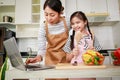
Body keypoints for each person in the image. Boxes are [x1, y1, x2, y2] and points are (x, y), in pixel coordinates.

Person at [26, 0, 69, 80]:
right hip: (50, 61)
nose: (49, 18)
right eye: (46, 14)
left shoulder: (67, 22)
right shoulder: (43, 26)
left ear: (59, 13)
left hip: (64, 61)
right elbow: (41, 46)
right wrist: (38, 57)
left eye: (52, 15)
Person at [63, 11, 102, 80]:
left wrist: (94, 53)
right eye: (73, 24)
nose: (75, 25)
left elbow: (99, 58)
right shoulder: (71, 37)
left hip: (90, 71)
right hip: (75, 71)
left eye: (78, 22)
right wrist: (72, 53)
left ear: (85, 22)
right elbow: (67, 59)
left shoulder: (92, 36)